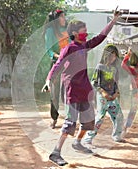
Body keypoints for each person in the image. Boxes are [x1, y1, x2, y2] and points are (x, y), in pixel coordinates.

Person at [43, 11, 121, 166]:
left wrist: (113, 21)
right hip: (72, 90)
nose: (85, 33)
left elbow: (100, 37)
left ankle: (77, 143)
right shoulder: (68, 48)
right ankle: (56, 152)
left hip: (85, 89)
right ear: (74, 33)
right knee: (70, 122)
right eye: (83, 31)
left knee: (88, 121)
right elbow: (58, 65)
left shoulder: (84, 46)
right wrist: (48, 80)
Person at [83, 44, 124, 148]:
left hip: (113, 97)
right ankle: (87, 139)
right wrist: (103, 92)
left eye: (114, 56)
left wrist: (116, 94)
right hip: (102, 97)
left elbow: (116, 83)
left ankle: (116, 136)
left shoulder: (115, 69)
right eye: (110, 55)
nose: (112, 58)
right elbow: (94, 82)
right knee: (99, 118)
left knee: (119, 116)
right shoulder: (100, 67)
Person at [43, 9, 69, 129]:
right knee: (54, 94)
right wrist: (60, 57)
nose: (64, 19)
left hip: (69, 64)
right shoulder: (50, 31)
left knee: (69, 91)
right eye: (62, 17)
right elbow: (49, 50)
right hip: (56, 63)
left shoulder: (67, 30)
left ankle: (70, 118)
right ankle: (54, 118)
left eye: (64, 16)